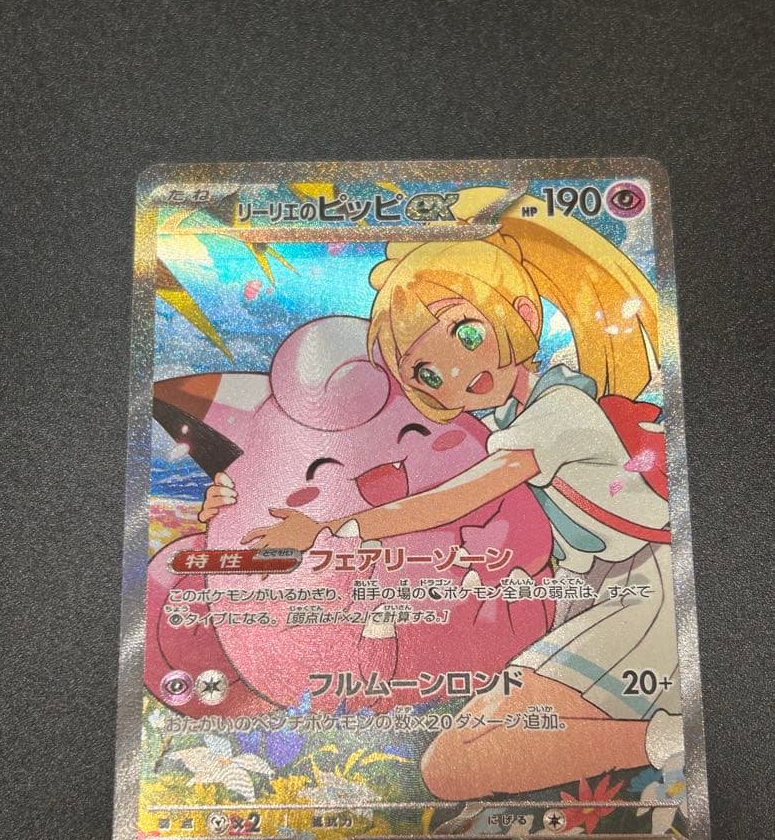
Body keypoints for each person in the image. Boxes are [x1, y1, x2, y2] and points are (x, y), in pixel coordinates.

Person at [201, 190, 684, 797]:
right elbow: (409, 474)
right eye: (427, 373)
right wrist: (233, 496)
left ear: (522, 317)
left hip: (640, 593)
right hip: (579, 594)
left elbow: (459, 497)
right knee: (457, 762)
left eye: (466, 333)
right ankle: (664, 737)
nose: (455, 374)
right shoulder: (501, 420)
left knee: (455, 764)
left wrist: (332, 530)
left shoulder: (560, 411)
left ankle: (674, 740)